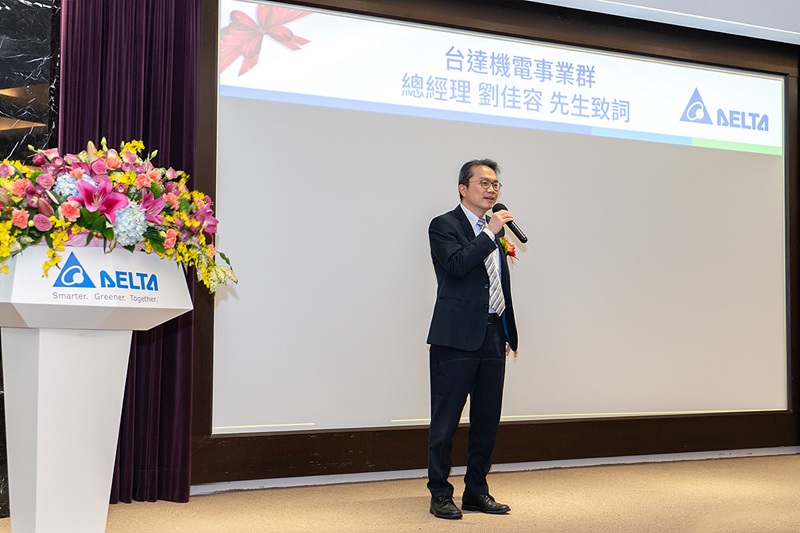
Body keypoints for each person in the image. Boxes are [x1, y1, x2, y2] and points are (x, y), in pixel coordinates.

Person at [426, 158, 519, 520]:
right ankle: (440, 492)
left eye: (495, 184)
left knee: (487, 418)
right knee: (446, 420)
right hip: (455, 338)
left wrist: (507, 329)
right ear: (463, 188)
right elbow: (457, 266)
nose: (491, 189)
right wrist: (489, 233)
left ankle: (477, 491)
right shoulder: (443, 225)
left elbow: (497, 283)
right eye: (483, 183)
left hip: (493, 335)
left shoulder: (494, 232)